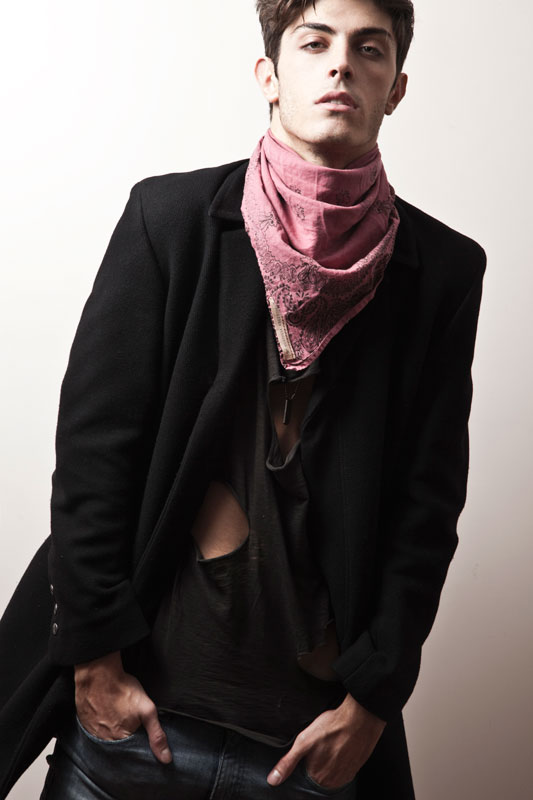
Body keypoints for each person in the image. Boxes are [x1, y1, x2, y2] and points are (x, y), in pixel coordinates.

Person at [0, 0, 486, 798]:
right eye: (314, 42)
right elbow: (93, 459)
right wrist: (95, 662)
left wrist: (371, 702)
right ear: (269, 75)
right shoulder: (170, 221)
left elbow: (425, 509)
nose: (341, 63)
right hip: (133, 731)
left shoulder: (442, 271)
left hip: (303, 756)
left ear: (395, 87)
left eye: (369, 48)